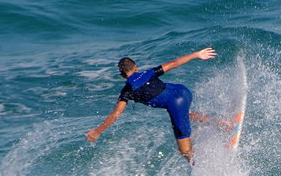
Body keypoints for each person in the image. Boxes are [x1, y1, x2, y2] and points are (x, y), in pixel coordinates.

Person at [85, 47, 217, 162]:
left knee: (185, 151)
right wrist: (197, 54)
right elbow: (174, 63)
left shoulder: (127, 90)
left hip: (176, 104)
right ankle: (225, 124)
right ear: (136, 67)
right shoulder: (149, 73)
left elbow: (116, 114)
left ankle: (203, 168)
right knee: (186, 115)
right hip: (183, 91)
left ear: (122, 76)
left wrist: (97, 131)